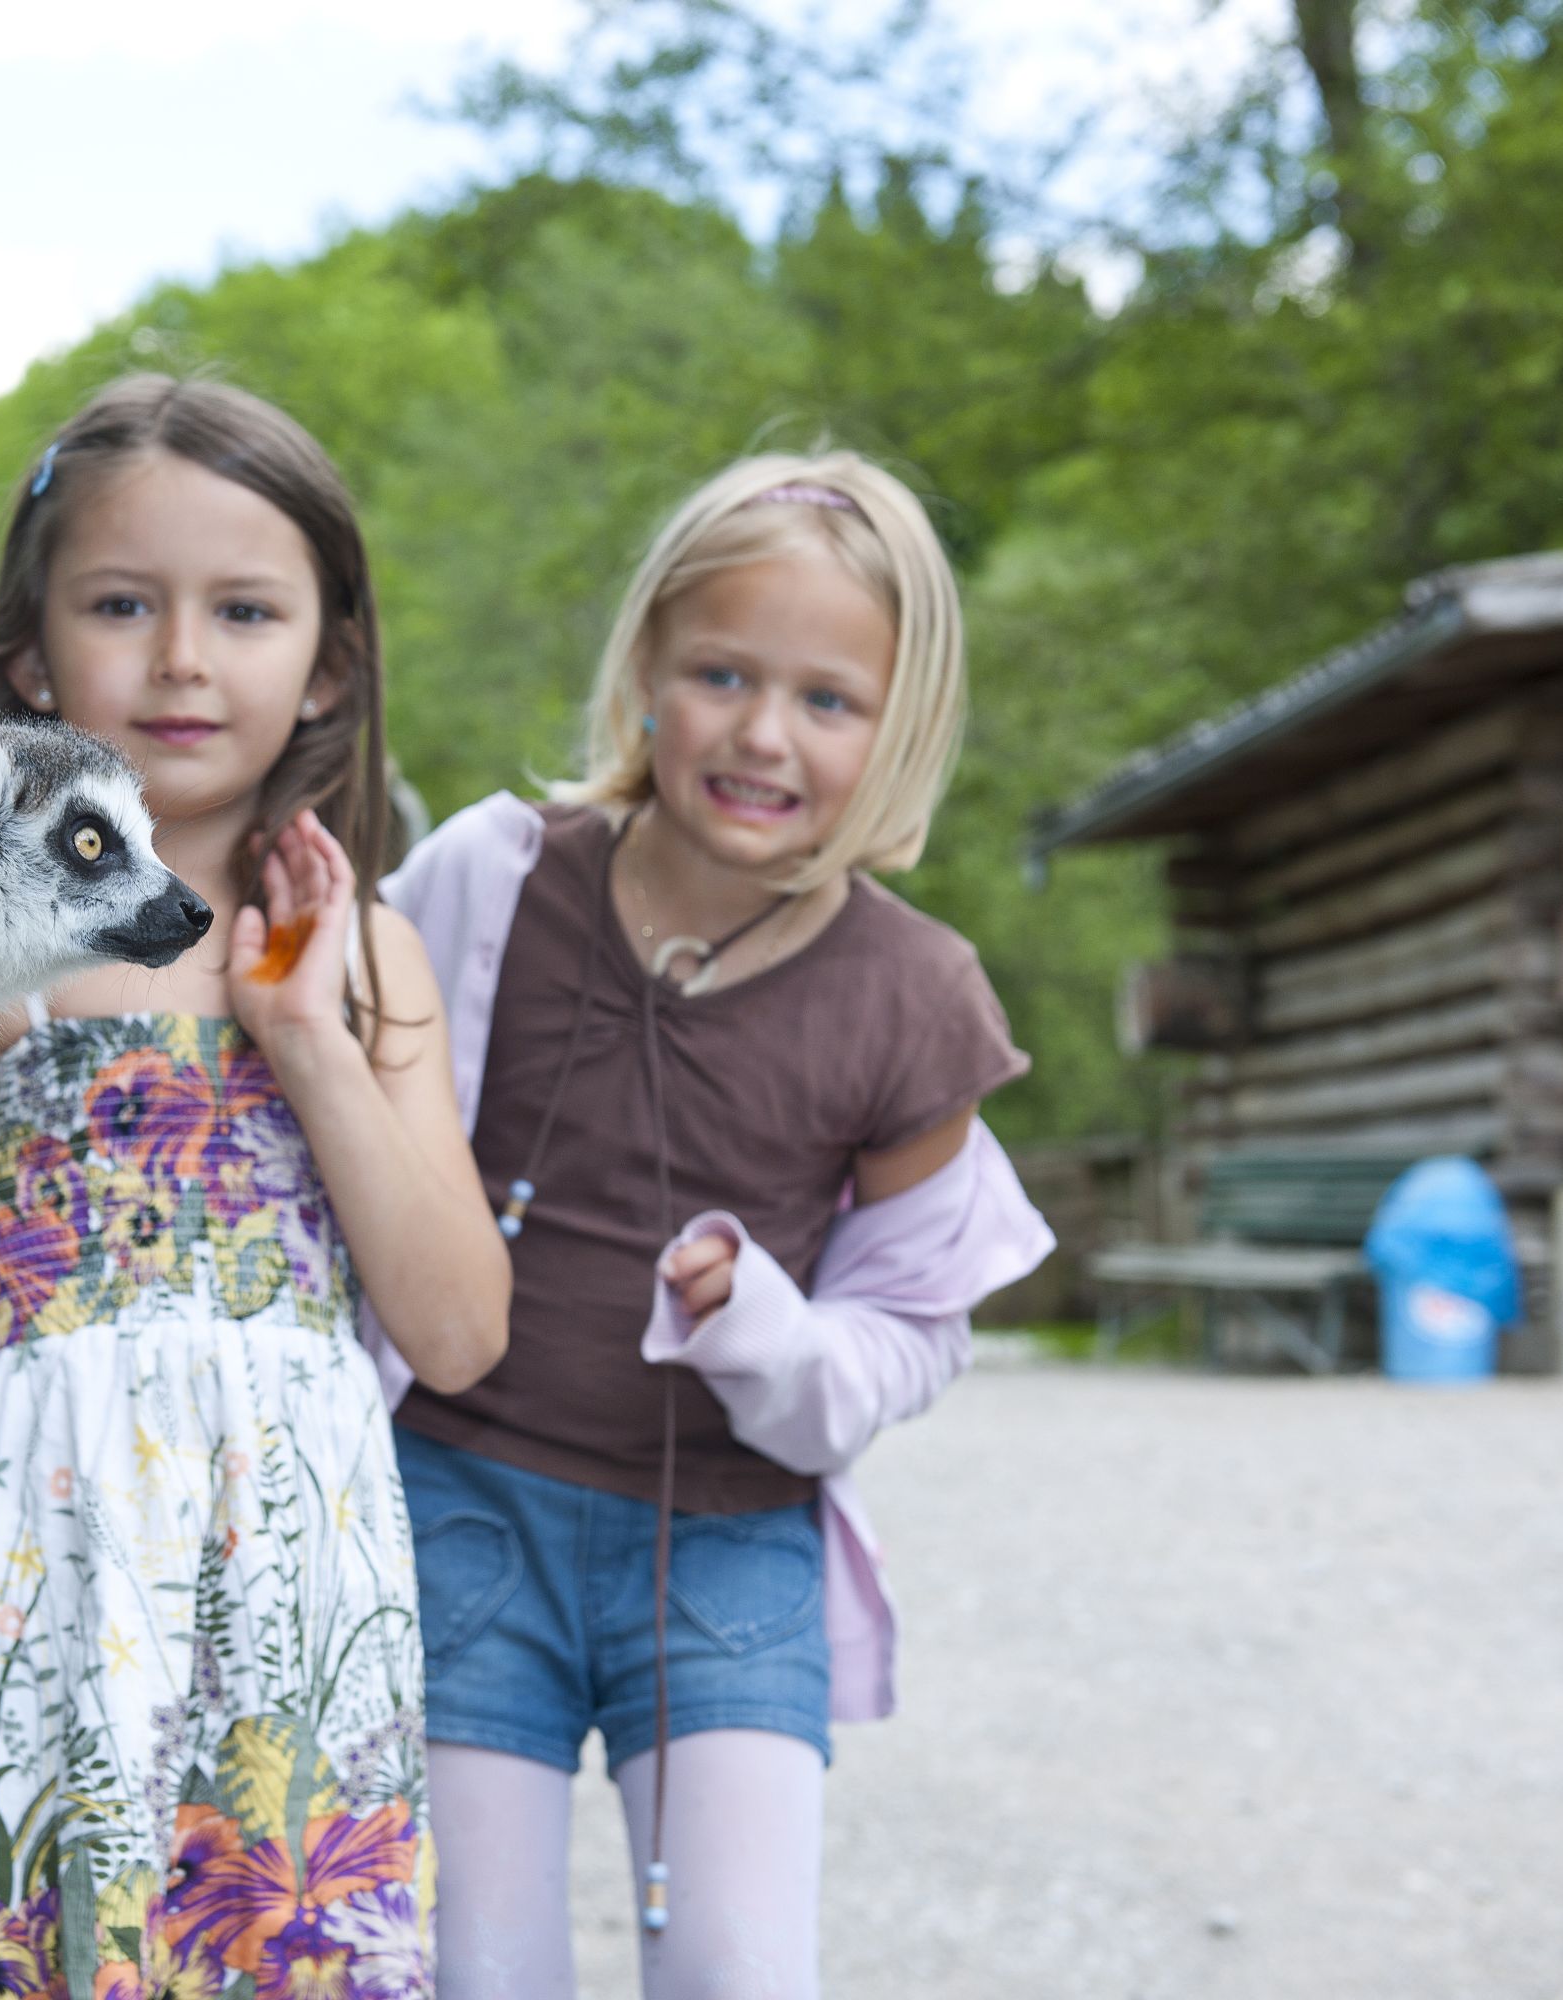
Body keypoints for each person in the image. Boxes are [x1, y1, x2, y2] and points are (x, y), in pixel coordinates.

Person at [379, 453, 1055, 1999]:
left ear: (902, 729)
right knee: (476, 1975)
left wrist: (769, 1327)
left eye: (829, 700)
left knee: (738, 1975)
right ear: (646, 675)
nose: (764, 733)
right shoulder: (492, 881)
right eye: (722, 674)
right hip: (459, 1508)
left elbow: (906, 1338)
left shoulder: (915, 998)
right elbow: (344, 1116)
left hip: (733, 1552)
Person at [0, 376, 510, 2000]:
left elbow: (454, 1334)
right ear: (30, 655)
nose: (180, 657)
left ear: (327, 662)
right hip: (41, 1548)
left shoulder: (366, 959)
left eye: (243, 609)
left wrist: (305, 1035)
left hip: (292, 1571)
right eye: (119, 604)